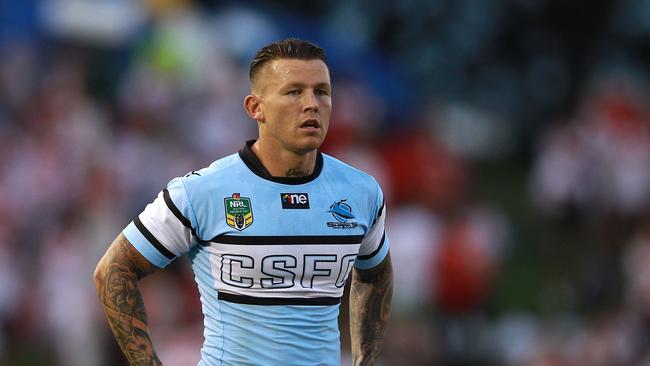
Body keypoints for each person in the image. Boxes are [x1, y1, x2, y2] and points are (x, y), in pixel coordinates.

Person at [93, 38, 393, 366]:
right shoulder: (201, 192)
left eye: (321, 91)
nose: (311, 104)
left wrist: (365, 360)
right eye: (294, 92)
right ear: (255, 108)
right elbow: (113, 270)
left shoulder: (361, 192)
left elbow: (375, 274)